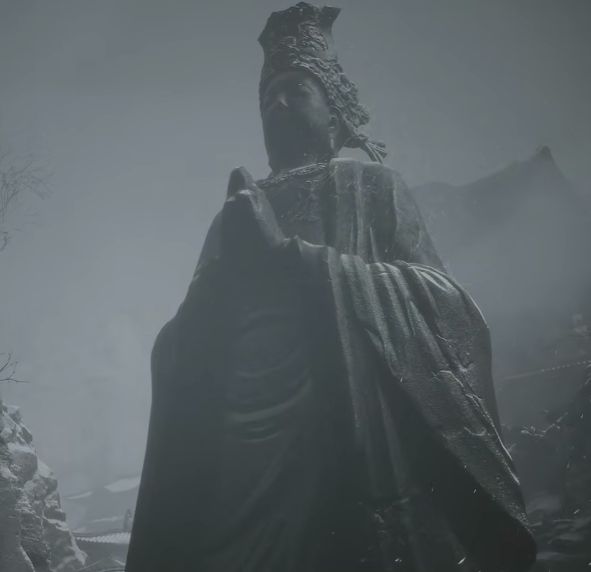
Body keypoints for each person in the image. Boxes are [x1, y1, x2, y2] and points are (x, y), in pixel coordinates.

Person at [125, 4, 536, 571]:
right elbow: (179, 346)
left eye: (296, 90)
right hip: (244, 450)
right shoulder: (232, 214)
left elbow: (446, 305)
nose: (278, 103)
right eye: (267, 97)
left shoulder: (373, 185)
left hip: (343, 415)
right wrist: (217, 289)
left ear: (337, 118)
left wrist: (293, 256)